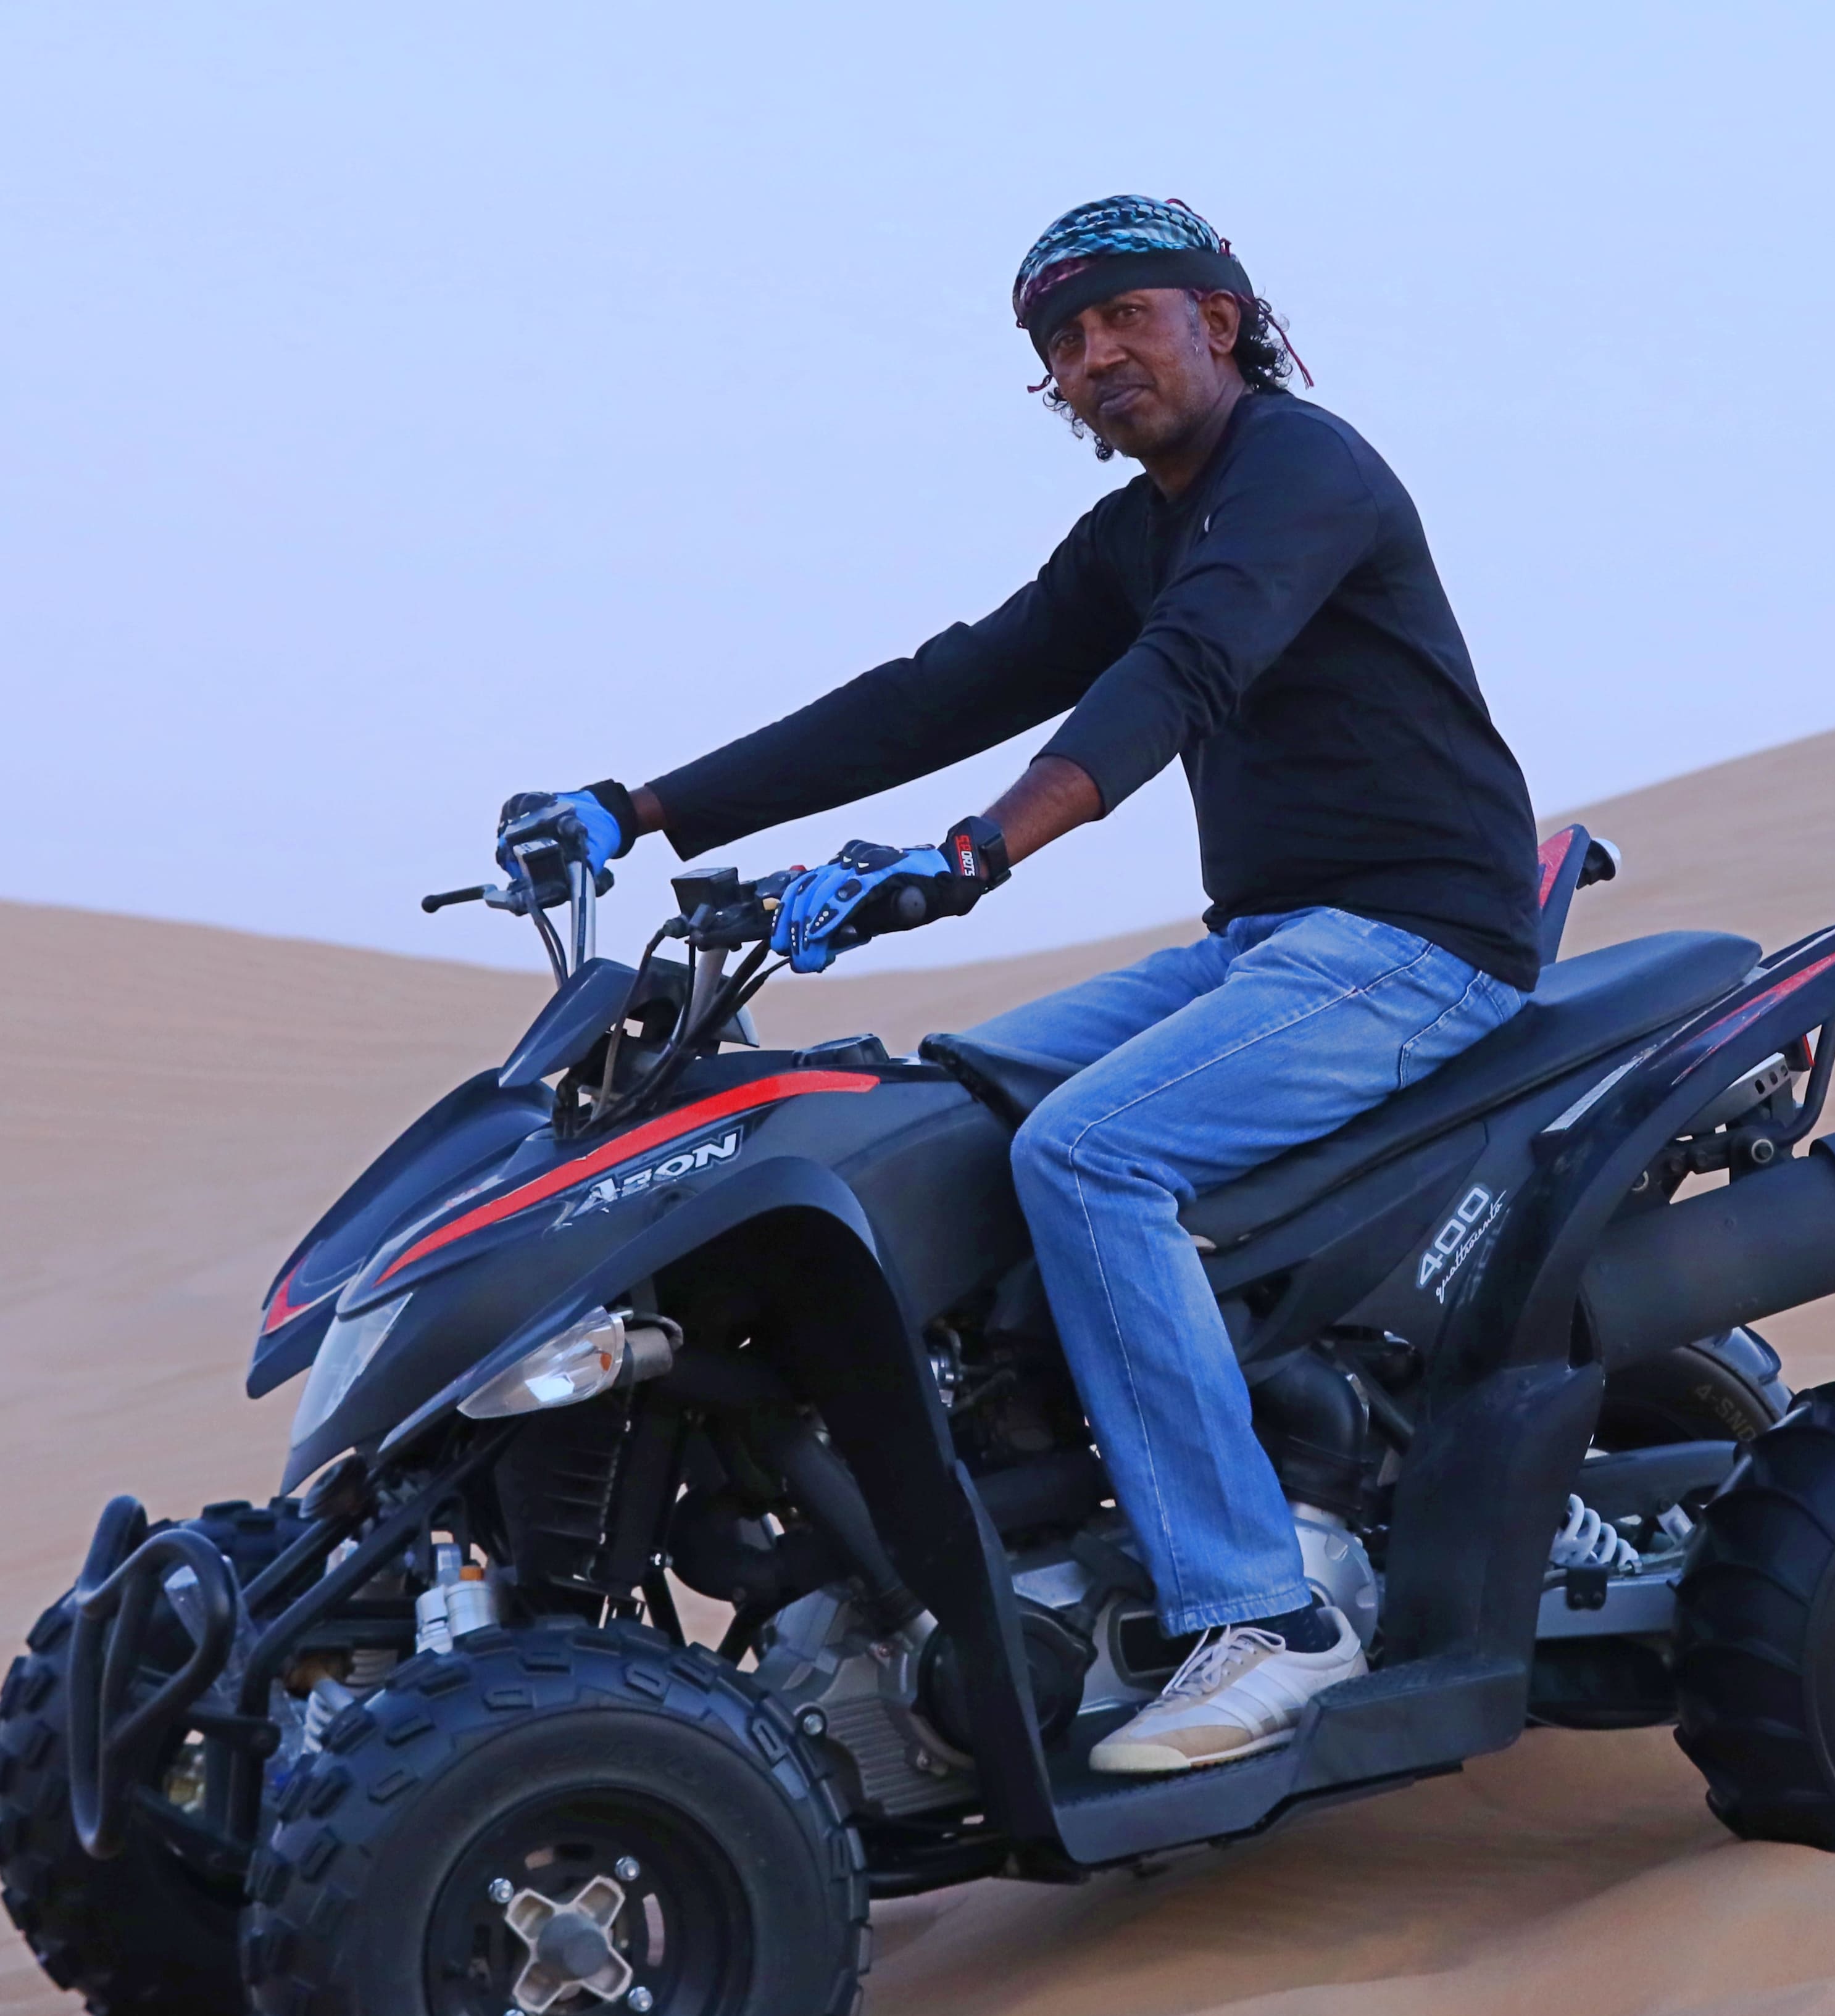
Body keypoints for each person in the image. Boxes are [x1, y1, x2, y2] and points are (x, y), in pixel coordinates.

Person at [490, 196, 1539, 1774]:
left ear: (1221, 323)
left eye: (1124, 316)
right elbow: (936, 693)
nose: (1091, 355)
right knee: (942, 1107)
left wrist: (978, 853)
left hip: (1414, 938)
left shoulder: (1303, 473)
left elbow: (1183, 672)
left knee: (1092, 1150)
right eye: (1061, 339)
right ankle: (1018, 1524)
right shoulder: (1135, 535)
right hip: (1269, 945)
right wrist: (638, 811)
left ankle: (1262, 1615)